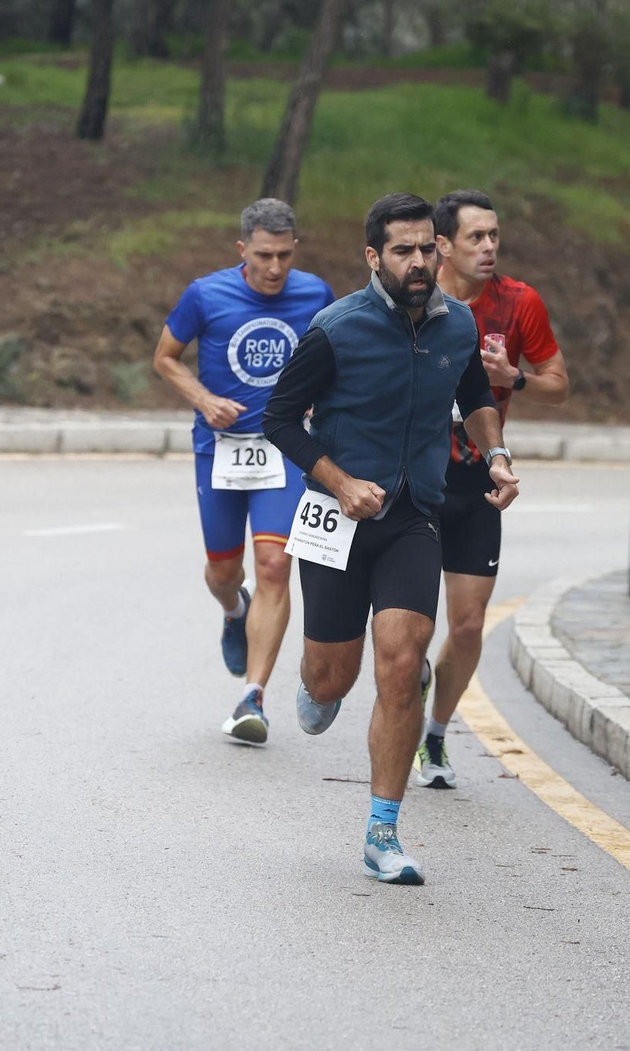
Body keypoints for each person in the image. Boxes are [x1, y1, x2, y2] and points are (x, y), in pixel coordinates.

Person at [262, 193, 519, 885]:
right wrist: (340, 482)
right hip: (338, 518)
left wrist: (495, 456)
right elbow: (280, 420)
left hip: (413, 516)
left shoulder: (456, 326)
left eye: (426, 248)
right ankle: (316, 688)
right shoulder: (335, 329)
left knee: (402, 664)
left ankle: (383, 832)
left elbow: (475, 401)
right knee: (330, 679)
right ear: (374, 257)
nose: (417, 262)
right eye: (401, 251)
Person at [152, 199, 334, 746]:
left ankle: (253, 696)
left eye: (283, 255)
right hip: (221, 447)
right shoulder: (206, 294)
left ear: (294, 248)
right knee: (222, 571)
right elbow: (165, 357)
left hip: (283, 449)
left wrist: (317, 404)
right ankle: (235, 610)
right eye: (262, 256)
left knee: (275, 564)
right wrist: (203, 398)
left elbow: (336, 358)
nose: (274, 268)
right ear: (242, 250)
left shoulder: (316, 293)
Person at [418, 189, 570, 789]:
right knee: (410, 626)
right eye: (476, 237)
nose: (489, 247)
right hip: (418, 475)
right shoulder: (416, 297)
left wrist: (517, 380)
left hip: (482, 475)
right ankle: (407, 686)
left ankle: (434, 735)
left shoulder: (518, 302)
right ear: (444, 245)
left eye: (495, 236)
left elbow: (559, 384)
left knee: (468, 627)